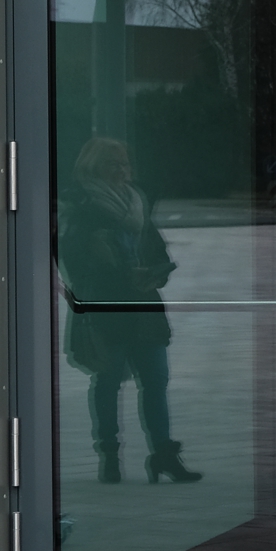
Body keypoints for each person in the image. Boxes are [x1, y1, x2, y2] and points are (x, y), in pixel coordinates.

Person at [59, 138, 198, 486]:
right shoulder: (80, 205)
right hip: (107, 306)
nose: (122, 171)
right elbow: (73, 260)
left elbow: (155, 247)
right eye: (114, 164)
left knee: (156, 380)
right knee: (108, 382)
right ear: (94, 167)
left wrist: (156, 271)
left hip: (144, 305)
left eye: (125, 164)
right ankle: (109, 455)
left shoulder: (136, 201)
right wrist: (114, 272)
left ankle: (164, 454)